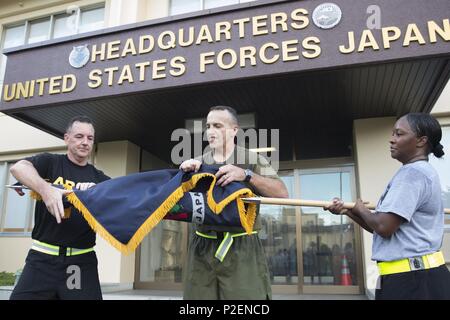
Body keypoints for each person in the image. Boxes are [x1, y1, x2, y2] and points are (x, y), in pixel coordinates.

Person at [325, 113, 450, 300]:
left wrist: (361, 209)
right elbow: (381, 228)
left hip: (414, 282)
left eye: (399, 134)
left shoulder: (413, 173)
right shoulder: (419, 172)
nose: (391, 140)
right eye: (393, 134)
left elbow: (384, 226)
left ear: (421, 141)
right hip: (412, 277)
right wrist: (348, 211)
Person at [179, 105, 288, 299]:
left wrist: (247, 175)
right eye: (208, 126)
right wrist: (182, 177)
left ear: (234, 130)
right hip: (202, 250)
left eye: (218, 126)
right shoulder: (196, 163)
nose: (210, 131)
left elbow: (282, 194)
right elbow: (178, 201)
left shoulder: (251, 159)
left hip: (241, 248)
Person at [9, 115, 110, 300]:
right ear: (66, 138)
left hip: (79, 264)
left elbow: (128, 193)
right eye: (79, 136)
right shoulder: (50, 162)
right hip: (42, 259)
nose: (85, 142)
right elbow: (18, 168)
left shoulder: (99, 178)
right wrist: (46, 190)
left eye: (90, 138)